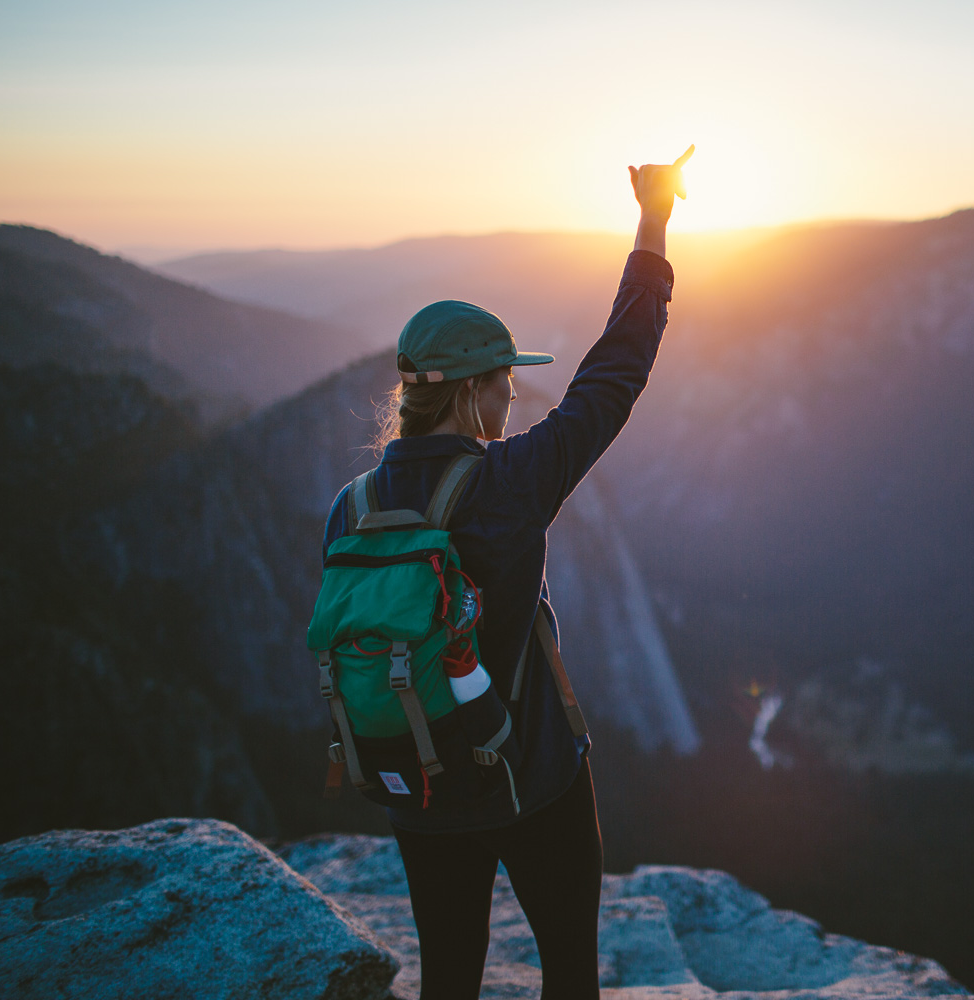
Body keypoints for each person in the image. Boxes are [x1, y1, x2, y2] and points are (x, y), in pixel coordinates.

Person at [321, 146, 694, 1000]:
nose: (512, 402)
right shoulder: (510, 483)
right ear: (471, 393)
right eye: (504, 386)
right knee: (568, 968)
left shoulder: (352, 506)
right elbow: (618, 368)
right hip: (532, 780)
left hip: (415, 782)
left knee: (448, 972)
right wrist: (654, 219)